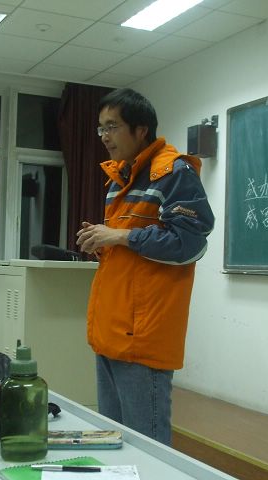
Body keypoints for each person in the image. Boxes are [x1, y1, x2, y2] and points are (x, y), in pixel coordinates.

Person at [76, 88, 214, 445]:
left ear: (141, 130)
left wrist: (120, 236)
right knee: (115, 444)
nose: (104, 136)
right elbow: (133, 249)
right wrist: (104, 242)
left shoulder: (173, 172)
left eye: (112, 126)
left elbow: (189, 243)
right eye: (101, 128)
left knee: (147, 450)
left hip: (143, 337)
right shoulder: (120, 178)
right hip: (111, 332)